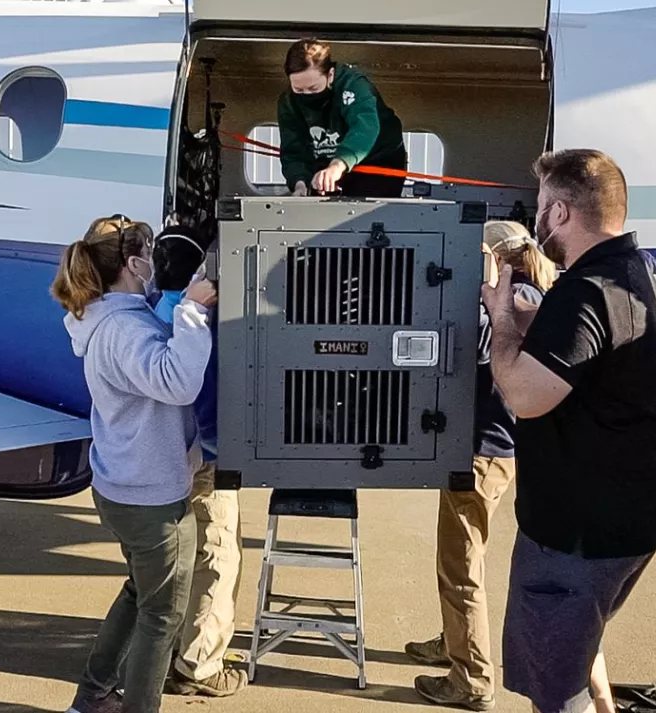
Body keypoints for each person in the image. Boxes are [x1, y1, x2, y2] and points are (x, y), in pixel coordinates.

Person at [482, 149, 656, 713]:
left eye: (543, 207)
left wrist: (499, 317)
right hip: (630, 519)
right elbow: (587, 357)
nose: (538, 219)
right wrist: (530, 325)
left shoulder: (585, 290)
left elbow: (524, 395)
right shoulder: (633, 271)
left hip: (576, 534)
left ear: (562, 212)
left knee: (554, 689)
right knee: (578, 645)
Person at [409, 220, 610, 712]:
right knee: (465, 557)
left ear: (491, 256)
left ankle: (472, 677)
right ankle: (456, 640)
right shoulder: (540, 293)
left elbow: (476, 352)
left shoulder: (508, 300)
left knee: (460, 565)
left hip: (480, 451)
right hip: (503, 449)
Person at [51, 215, 217, 713]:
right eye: (149, 251)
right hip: (149, 497)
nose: (155, 259)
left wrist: (177, 303)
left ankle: (94, 694)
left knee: (139, 592)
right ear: (130, 263)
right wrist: (190, 310)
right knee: (162, 614)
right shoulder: (122, 329)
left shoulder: (111, 316)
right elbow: (176, 381)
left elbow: (153, 352)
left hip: (124, 485)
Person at [147, 225, 248, 698]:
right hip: (204, 458)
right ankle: (199, 666)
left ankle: (161, 650)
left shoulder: (145, 314)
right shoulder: (202, 322)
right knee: (216, 556)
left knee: (171, 560)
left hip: (159, 459)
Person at [277, 38, 407, 198]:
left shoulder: (354, 86)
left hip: (376, 160)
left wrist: (338, 165)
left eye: (313, 88)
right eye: (299, 89)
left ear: (330, 75)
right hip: (326, 160)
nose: (307, 95)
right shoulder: (289, 102)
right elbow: (293, 149)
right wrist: (299, 183)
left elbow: (364, 129)